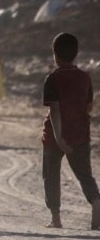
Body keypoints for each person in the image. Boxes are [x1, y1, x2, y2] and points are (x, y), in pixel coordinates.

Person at [41, 32, 100, 230]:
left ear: (55, 55)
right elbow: (89, 107)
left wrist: (59, 139)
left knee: (51, 175)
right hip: (80, 135)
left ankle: (56, 218)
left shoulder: (53, 79)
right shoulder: (85, 78)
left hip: (54, 138)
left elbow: (55, 110)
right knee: (85, 174)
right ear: (76, 54)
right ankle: (96, 203)